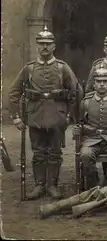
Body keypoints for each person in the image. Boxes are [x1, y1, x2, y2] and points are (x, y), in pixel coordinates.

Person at [9, 27, 79, 200]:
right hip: (35, 116)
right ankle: (40, 185)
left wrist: (69, 114)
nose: (45, 47)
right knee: (38, 153)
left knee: (55, 152)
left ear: (54, 46)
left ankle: (52, 186)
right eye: (41, 44)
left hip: (57, 116)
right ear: (37, 46)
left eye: (48, 44)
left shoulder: (63, 68)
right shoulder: (29, 69)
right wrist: (16, 116)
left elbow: (76, 91)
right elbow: (13, 93)